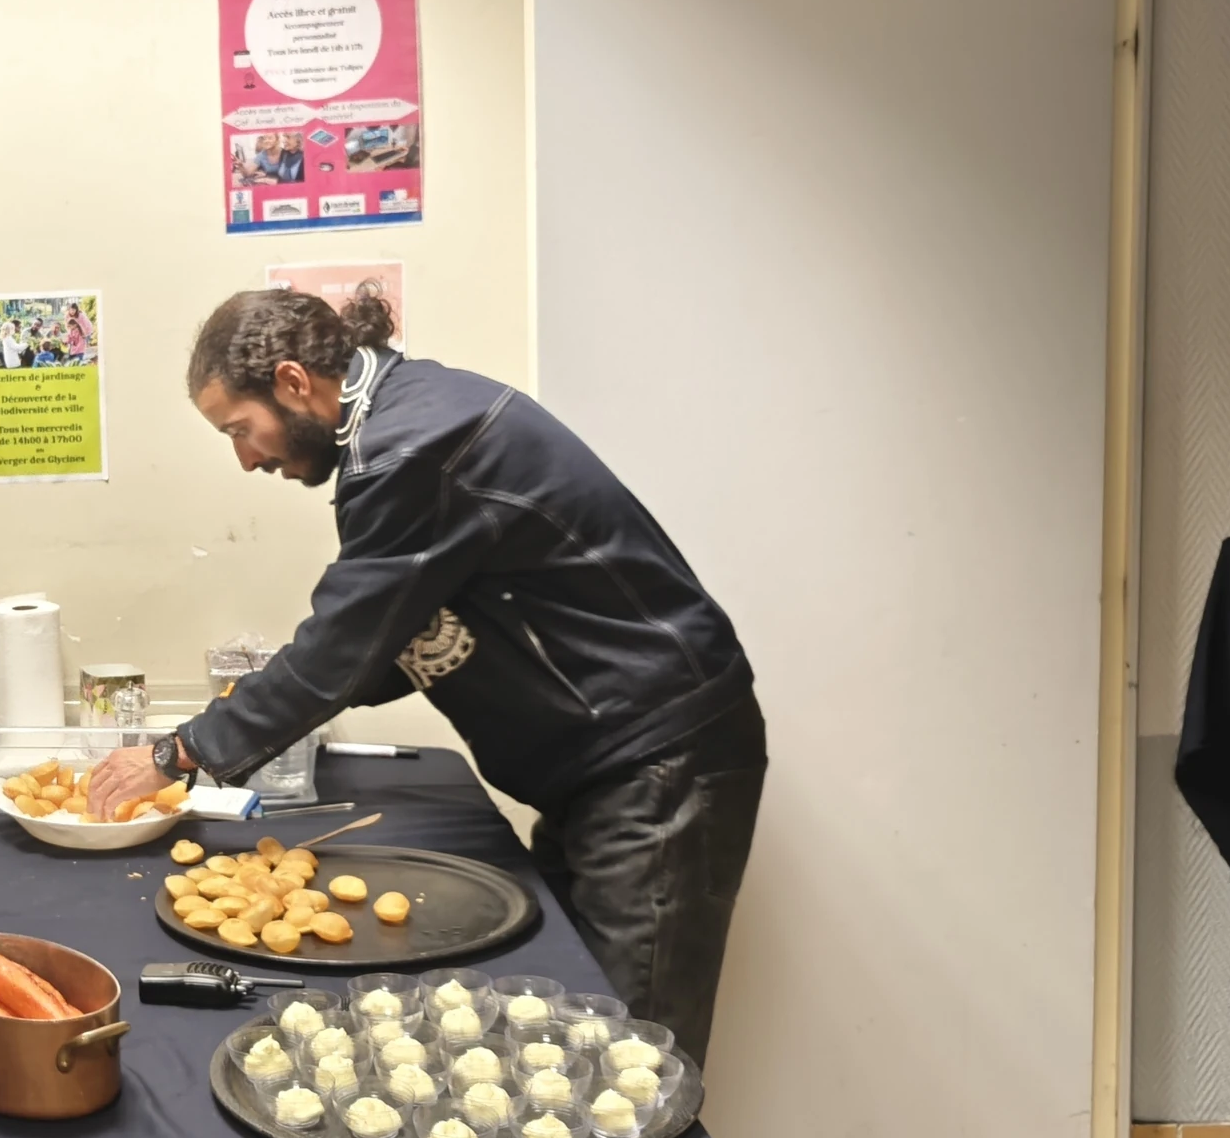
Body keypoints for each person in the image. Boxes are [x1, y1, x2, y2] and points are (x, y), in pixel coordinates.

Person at [89, 286, 763, 1057]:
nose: (246, 458)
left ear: (292, 381)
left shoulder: (414, 446)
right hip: (611, 760)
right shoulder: (405, 419)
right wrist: (286, 690)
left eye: (240, 430)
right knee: (569, 1027)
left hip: (658, 759)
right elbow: (385, 635)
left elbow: (343, 645)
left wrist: (179, 752)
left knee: (624, 1054)